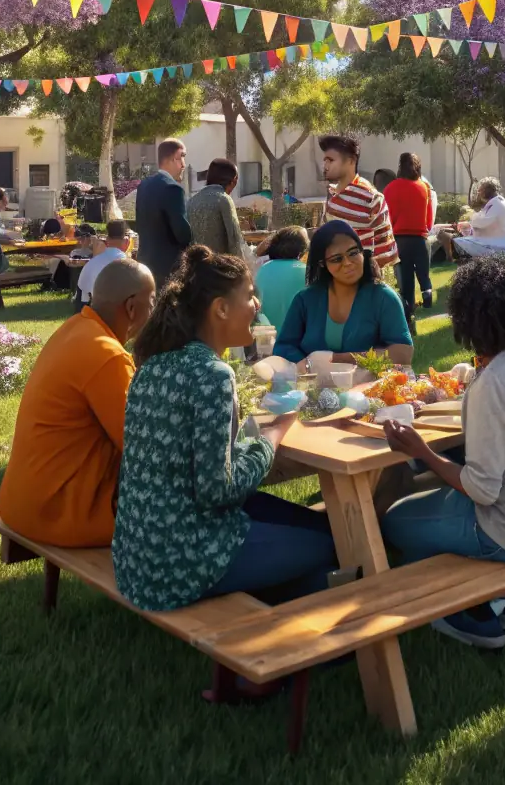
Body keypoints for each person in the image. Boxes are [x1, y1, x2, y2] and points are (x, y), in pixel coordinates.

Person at [112, 248, 337, 613]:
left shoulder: (152, 366)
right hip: (182, 562)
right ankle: (289, 650)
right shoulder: (212, 375)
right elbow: (218, 490)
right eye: (249, 294)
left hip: (136, 558)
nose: (256, 303)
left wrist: (247, 445)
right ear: (220, 308)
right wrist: (274, 434)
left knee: (317, 527)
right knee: (335, 544)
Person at [381, 258, 505, 650]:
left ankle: (463, 610)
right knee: (432, 506)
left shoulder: (494, 383)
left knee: (394, 520)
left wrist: (421, 450)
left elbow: (482, 490)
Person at [0, 259, 156, 545]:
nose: (154, 312)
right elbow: (146, 450)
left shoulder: (73, 329)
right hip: (62, 516)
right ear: (131, 308)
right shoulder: (108, 355)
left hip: (20, 504)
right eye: (152, 302)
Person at [274, 219, 413, 365]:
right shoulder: (305, 300)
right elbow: (283, 347)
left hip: (370, 385)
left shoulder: (383, 297)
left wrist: (336, 360)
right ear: (323, 264)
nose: (347, 263)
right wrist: (307, 366)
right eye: (337, 259)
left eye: (353, 253)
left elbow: (402, 353)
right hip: (314, 385)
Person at [320, 134, 398, 267]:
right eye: (325, 160)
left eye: (331, 160)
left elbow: (384, 252)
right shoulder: (334, 193)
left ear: (351, 161)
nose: (325, 166)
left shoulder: (368, 198)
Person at [383, 153, 434, 329]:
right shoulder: (424, 187)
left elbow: (387, 217)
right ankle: (427, 296)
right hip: (420, 239)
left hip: (400, 240)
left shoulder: (390, 188)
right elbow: (429, 219)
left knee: (405, 279)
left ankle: (408, 313)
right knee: (423, 274)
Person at [134, 138, 192, 290]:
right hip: (168, 267)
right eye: (182, 157)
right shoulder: (173, 188)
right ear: (174, 158)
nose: (184, 165)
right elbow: (183, 234)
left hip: (144, 263)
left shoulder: (144, 185)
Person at [187, 159, 248, 261]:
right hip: (220, 268)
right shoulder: (223, 199)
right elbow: (234, 240)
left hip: (196, 268)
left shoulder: (191, 201)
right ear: (234, 180)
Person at [437, 178, 505, 261]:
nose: (479, 193)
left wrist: (472, 215)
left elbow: (482, 222)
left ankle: (449, 258)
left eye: (480, 190)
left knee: (448, 242)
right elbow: (481, 222)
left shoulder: (498, 204)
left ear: (488, 190)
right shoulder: (494, 203)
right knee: (445, 238)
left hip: (494, 247)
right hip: (487, 243)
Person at [254, 226, 309, 329]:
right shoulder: (306, 272)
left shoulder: (263, 269)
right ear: (302, 248)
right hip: (297, 340)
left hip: (267, 338)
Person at [77, 220, 132, 306]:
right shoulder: (131, 268)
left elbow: (82, 301)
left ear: (107, 240)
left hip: (91, 313)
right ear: (127, 242)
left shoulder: (90, 265)